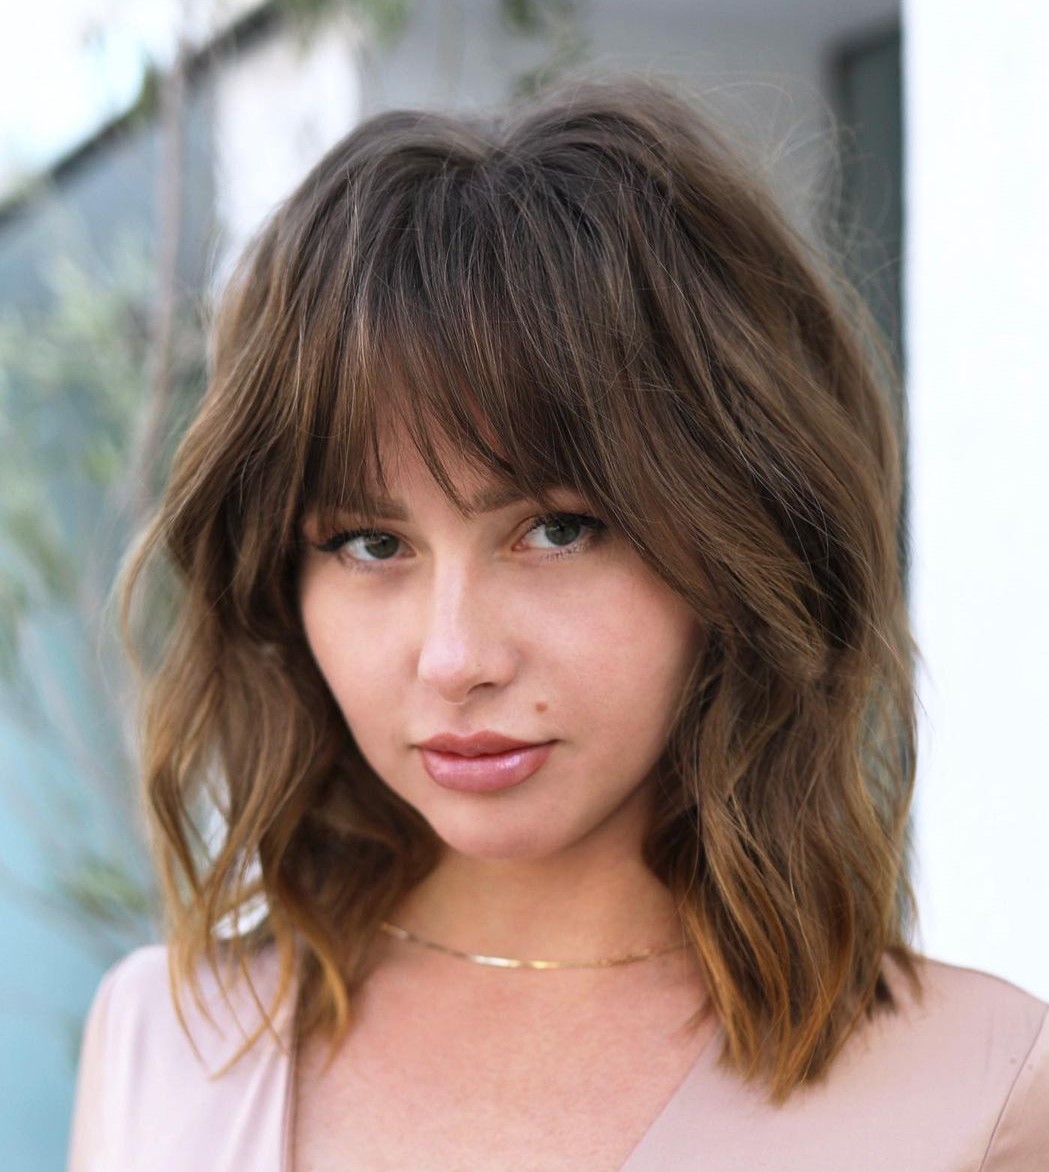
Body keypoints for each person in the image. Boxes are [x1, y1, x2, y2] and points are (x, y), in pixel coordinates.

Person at [68, 77, 1047, 1171]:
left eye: (559, 530)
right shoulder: (162, 1042)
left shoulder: (974, 1085)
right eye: (368, 543)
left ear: (737, 538)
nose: (455, 659)